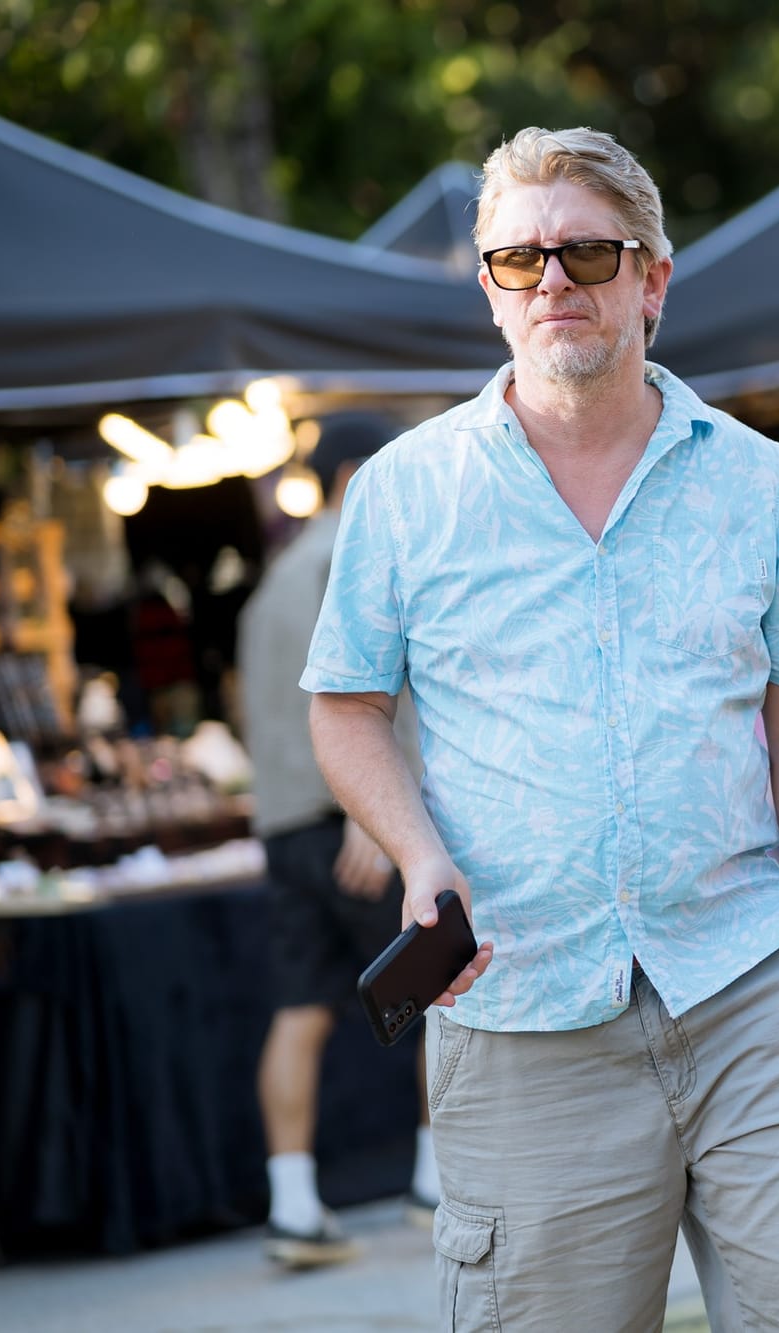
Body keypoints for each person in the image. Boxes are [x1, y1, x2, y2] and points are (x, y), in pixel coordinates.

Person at [301, 128, 779, 1332]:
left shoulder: (753, 478)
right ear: (489, 290)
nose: (553, 283)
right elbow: (346, 705)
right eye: (518, 261)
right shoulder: (405, 491)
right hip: (521, 1015)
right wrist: (418, 854)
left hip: (748, 988)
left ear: (652, 279)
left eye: (586, 253)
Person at [238, 412, 439, 1269]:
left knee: (300, 1010)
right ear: (357, 475)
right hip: (352, 817)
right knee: (439, 994)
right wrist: (374, 814)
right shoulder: (345, 556)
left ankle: (293, 1208)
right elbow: (360, 697)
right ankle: (438, 1185)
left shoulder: (272, 579)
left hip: (284, 823)